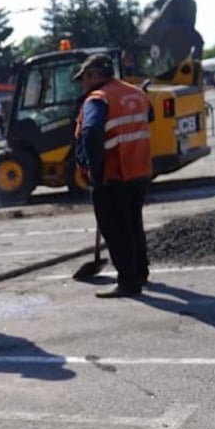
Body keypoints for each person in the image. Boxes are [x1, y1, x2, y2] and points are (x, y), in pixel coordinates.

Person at [73, 53, 153, 297]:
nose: (83, 84)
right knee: (133, 223)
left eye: (85, 78)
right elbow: (149, 116)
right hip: (139, 169)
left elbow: (91, 131)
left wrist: (94, 168)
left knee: (116, 230)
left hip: (113, 173)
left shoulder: (97, 100)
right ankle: (140, 271)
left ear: (95, 75)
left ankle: (129, 282)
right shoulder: (136, 94)